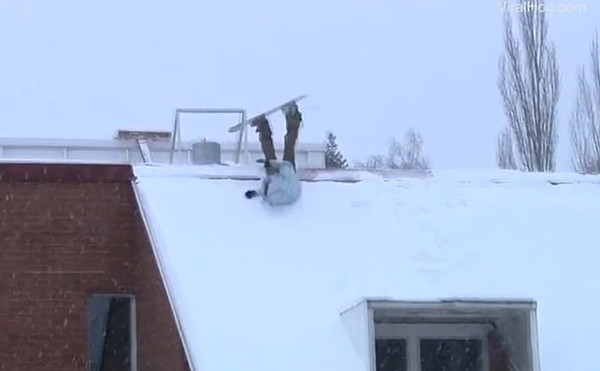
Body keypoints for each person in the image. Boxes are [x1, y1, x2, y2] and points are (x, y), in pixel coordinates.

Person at [244, 103, 303, 206]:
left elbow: (264, 188)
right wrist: (276, 166)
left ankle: (262, 125)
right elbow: (291, 180)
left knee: (268, 149)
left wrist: (254, 193)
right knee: (289, 144)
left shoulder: (271, 192)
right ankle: (292, 116)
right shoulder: (288, 189)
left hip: (280, 178)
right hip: (289, 171)